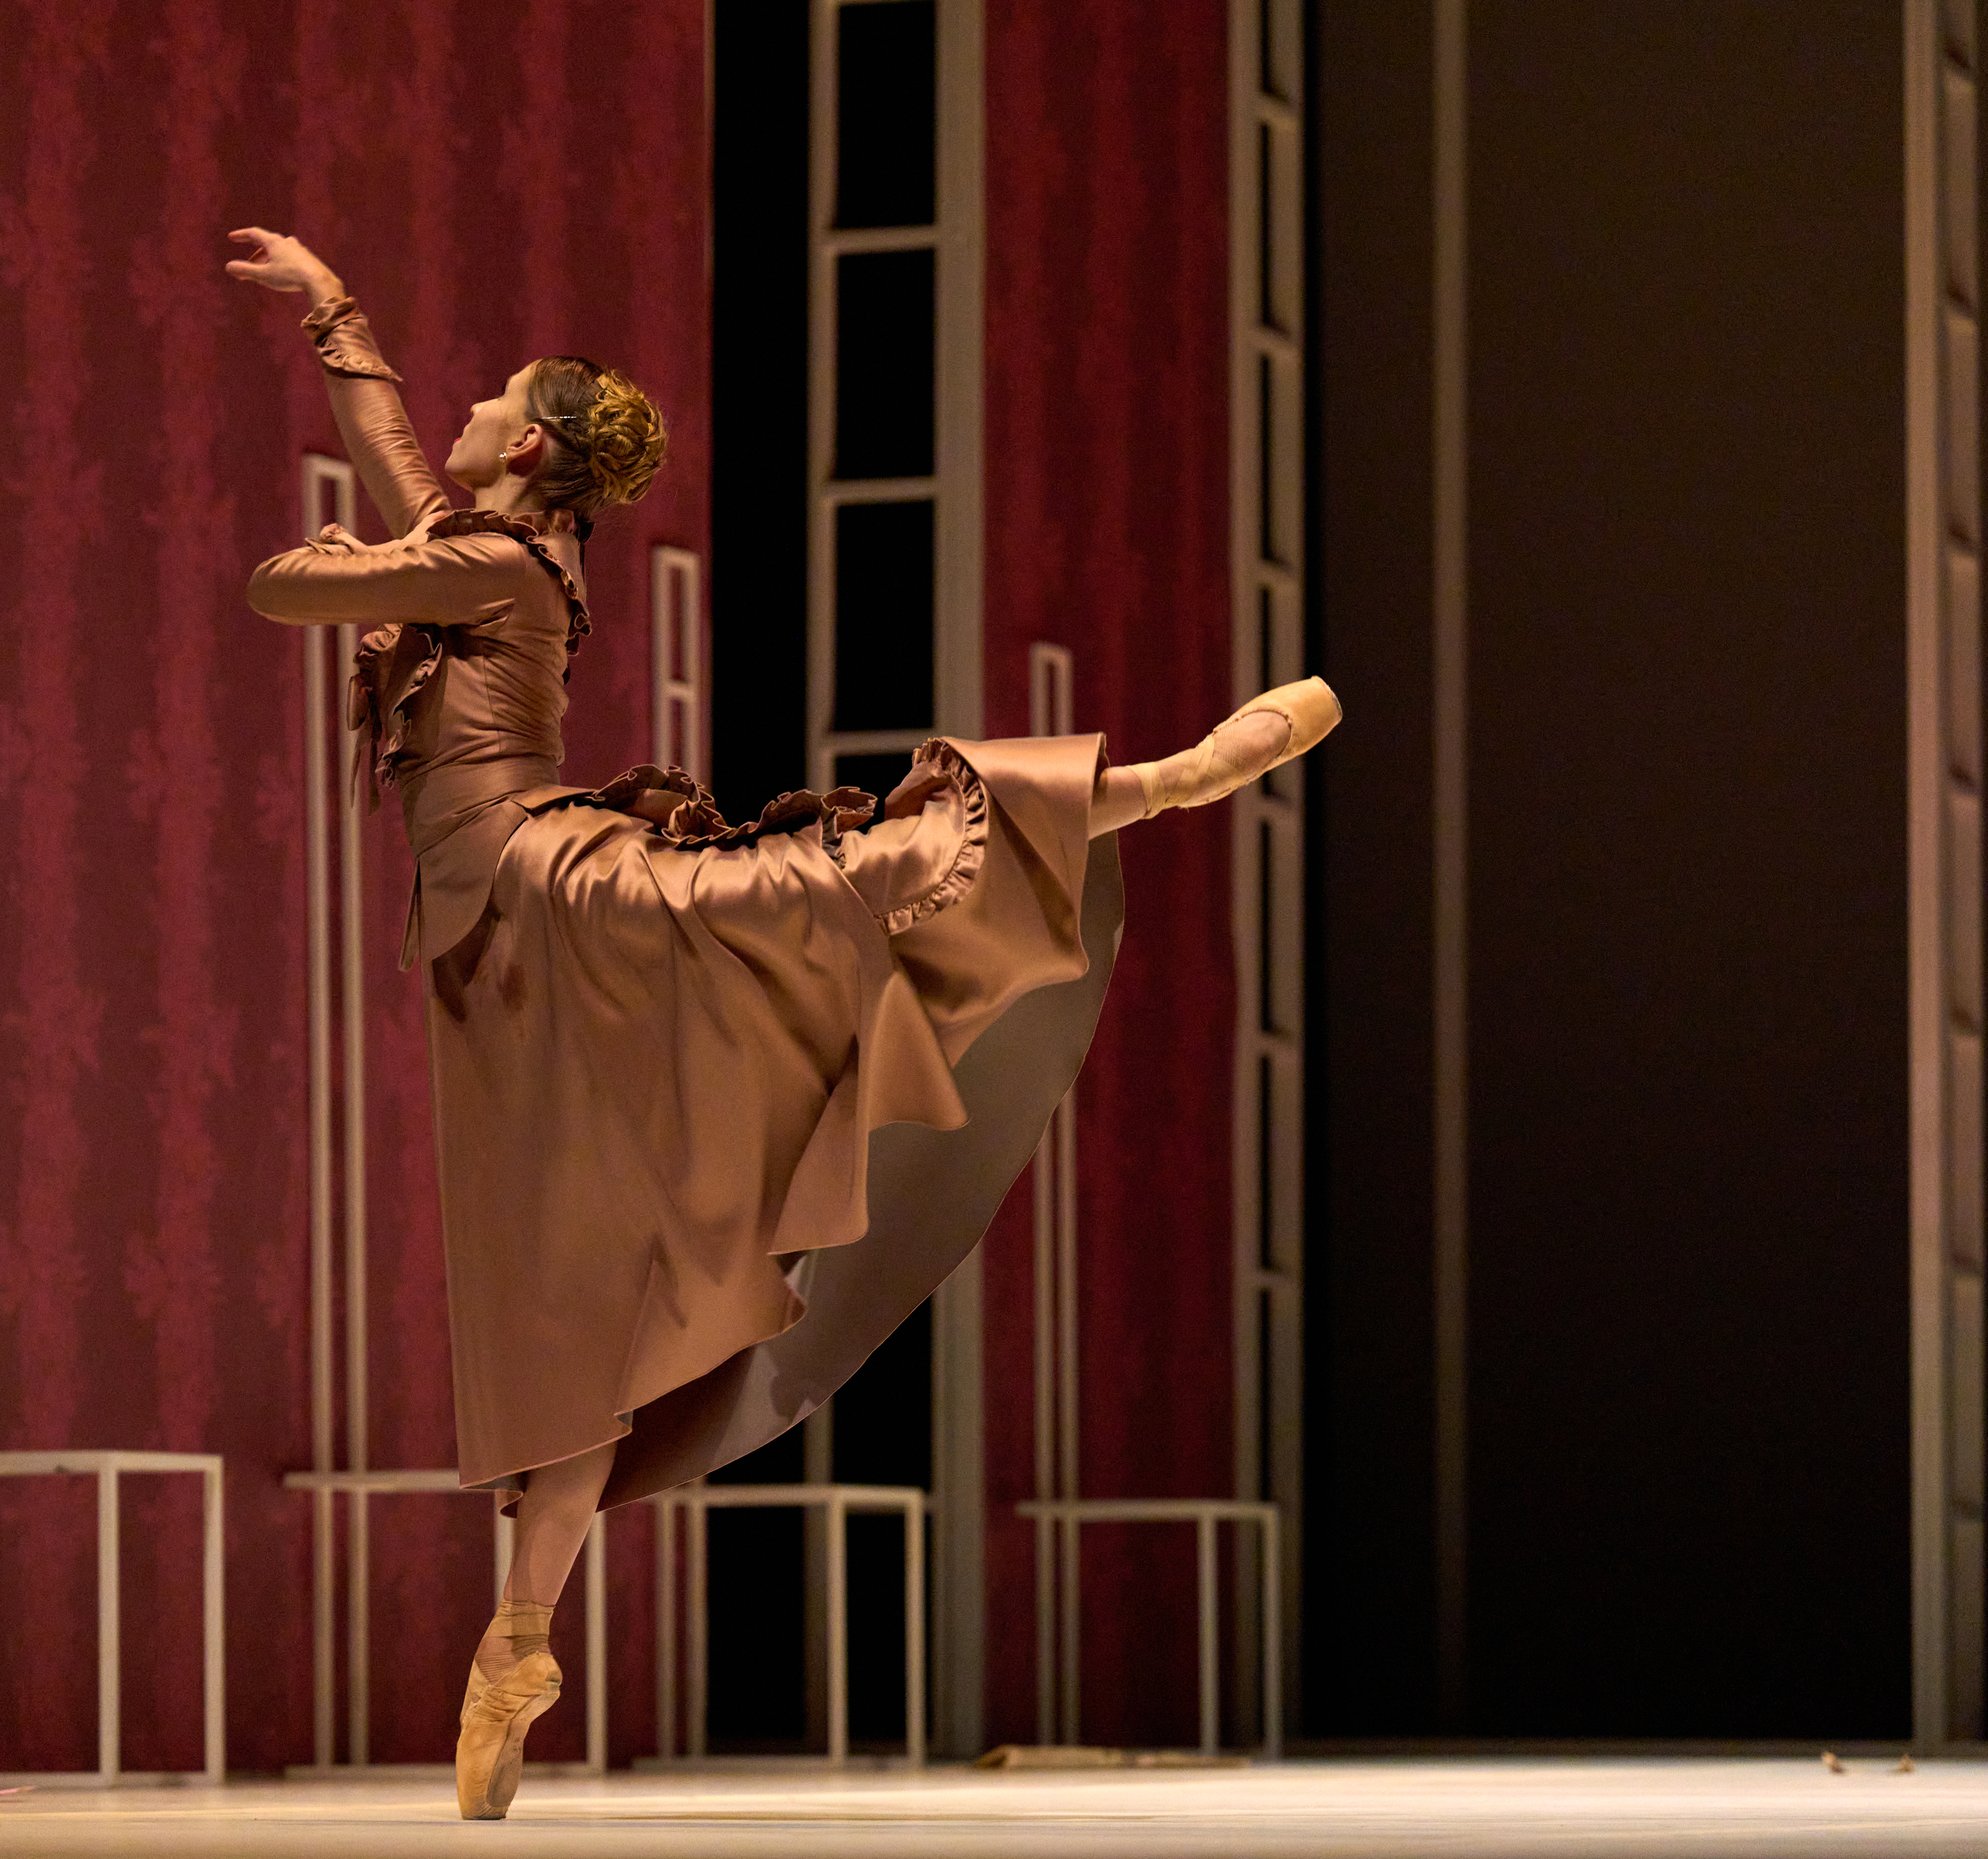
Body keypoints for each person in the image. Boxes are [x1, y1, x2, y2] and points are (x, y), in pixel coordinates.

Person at [227, 226, 1338, 1818]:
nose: (461, 413)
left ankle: (1157, 782)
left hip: (553, 888)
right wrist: (333, 309)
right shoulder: (491, 544)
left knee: (821, 879)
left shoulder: (498, 566)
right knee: (571, 1297)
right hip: (491, 947)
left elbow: (279, 586)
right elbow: (400, 462)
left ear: (527, 450)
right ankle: (518, 1643)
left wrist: (332, 553)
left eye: (489, 404)